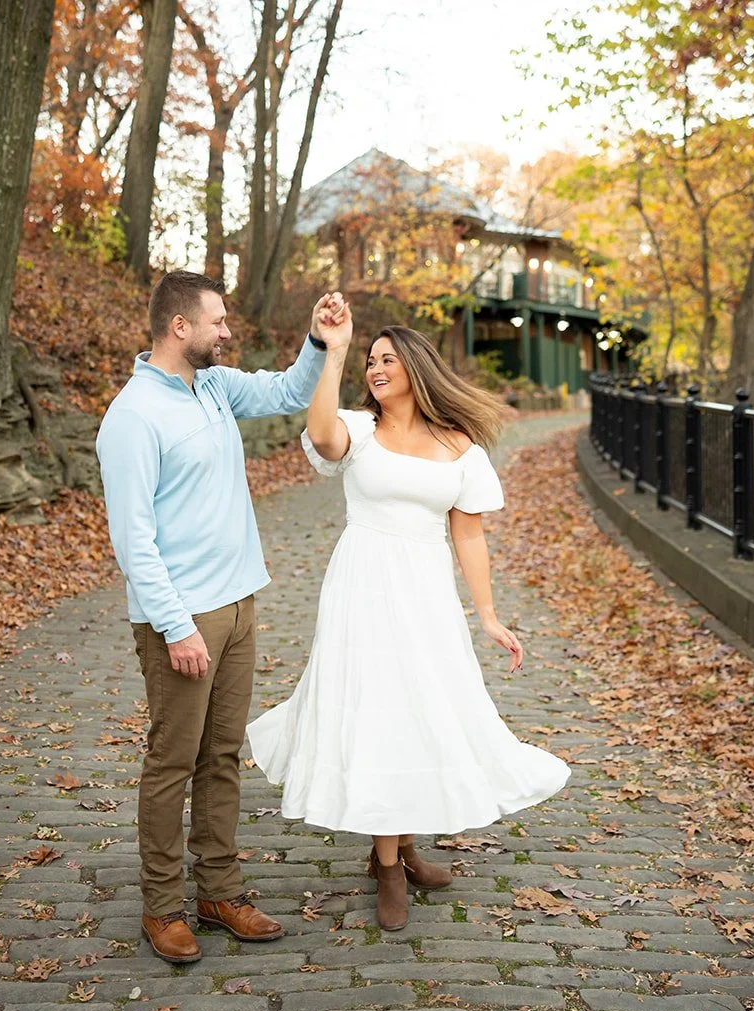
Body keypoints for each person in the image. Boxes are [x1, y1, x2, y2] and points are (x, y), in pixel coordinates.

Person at [246, 325, 571, 931]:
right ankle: (391, 866)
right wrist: (334, 352)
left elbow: (468, 535)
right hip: (362, 588)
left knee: (420, 710)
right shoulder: (359, 429)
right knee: (378, 713)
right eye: (370, 361)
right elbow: (320, 434)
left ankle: (398, 848)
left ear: (416, 367)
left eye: (386, 360)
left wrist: (490, 616)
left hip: (425, 592)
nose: (376, 369)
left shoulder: (460, 448)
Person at [96, 270, 354, 963]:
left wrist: (319, 341)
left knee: (222, 757)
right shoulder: (131, 417)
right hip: (182, 616)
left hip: (240, 603)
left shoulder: (212, 386)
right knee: (172, 760)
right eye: (217, 321)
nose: (226, 330)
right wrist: (175, 625)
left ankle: (219, 889)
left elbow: (286, 391)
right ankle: (160, 906)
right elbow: (133, 538)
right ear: (180, 327)